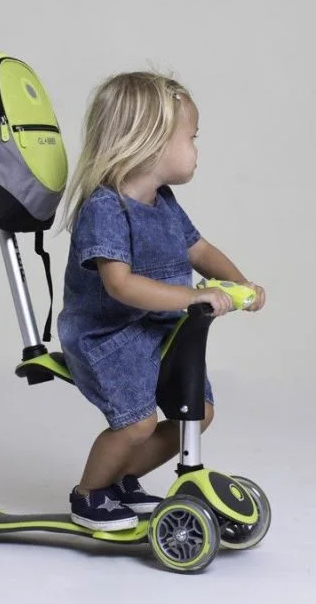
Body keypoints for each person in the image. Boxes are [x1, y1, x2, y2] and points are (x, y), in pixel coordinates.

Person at [57, 71, 267, 531]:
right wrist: (193, 296)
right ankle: (89, 494)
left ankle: (119, 479)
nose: (197, 149)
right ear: (149, 142)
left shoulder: (164, 202)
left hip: (162, 328)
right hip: (111, 335)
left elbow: (200, 250)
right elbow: (120, 285)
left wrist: (241, 285)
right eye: (191, 138)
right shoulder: (105, 209)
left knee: (198, 415)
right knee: (137, 424)